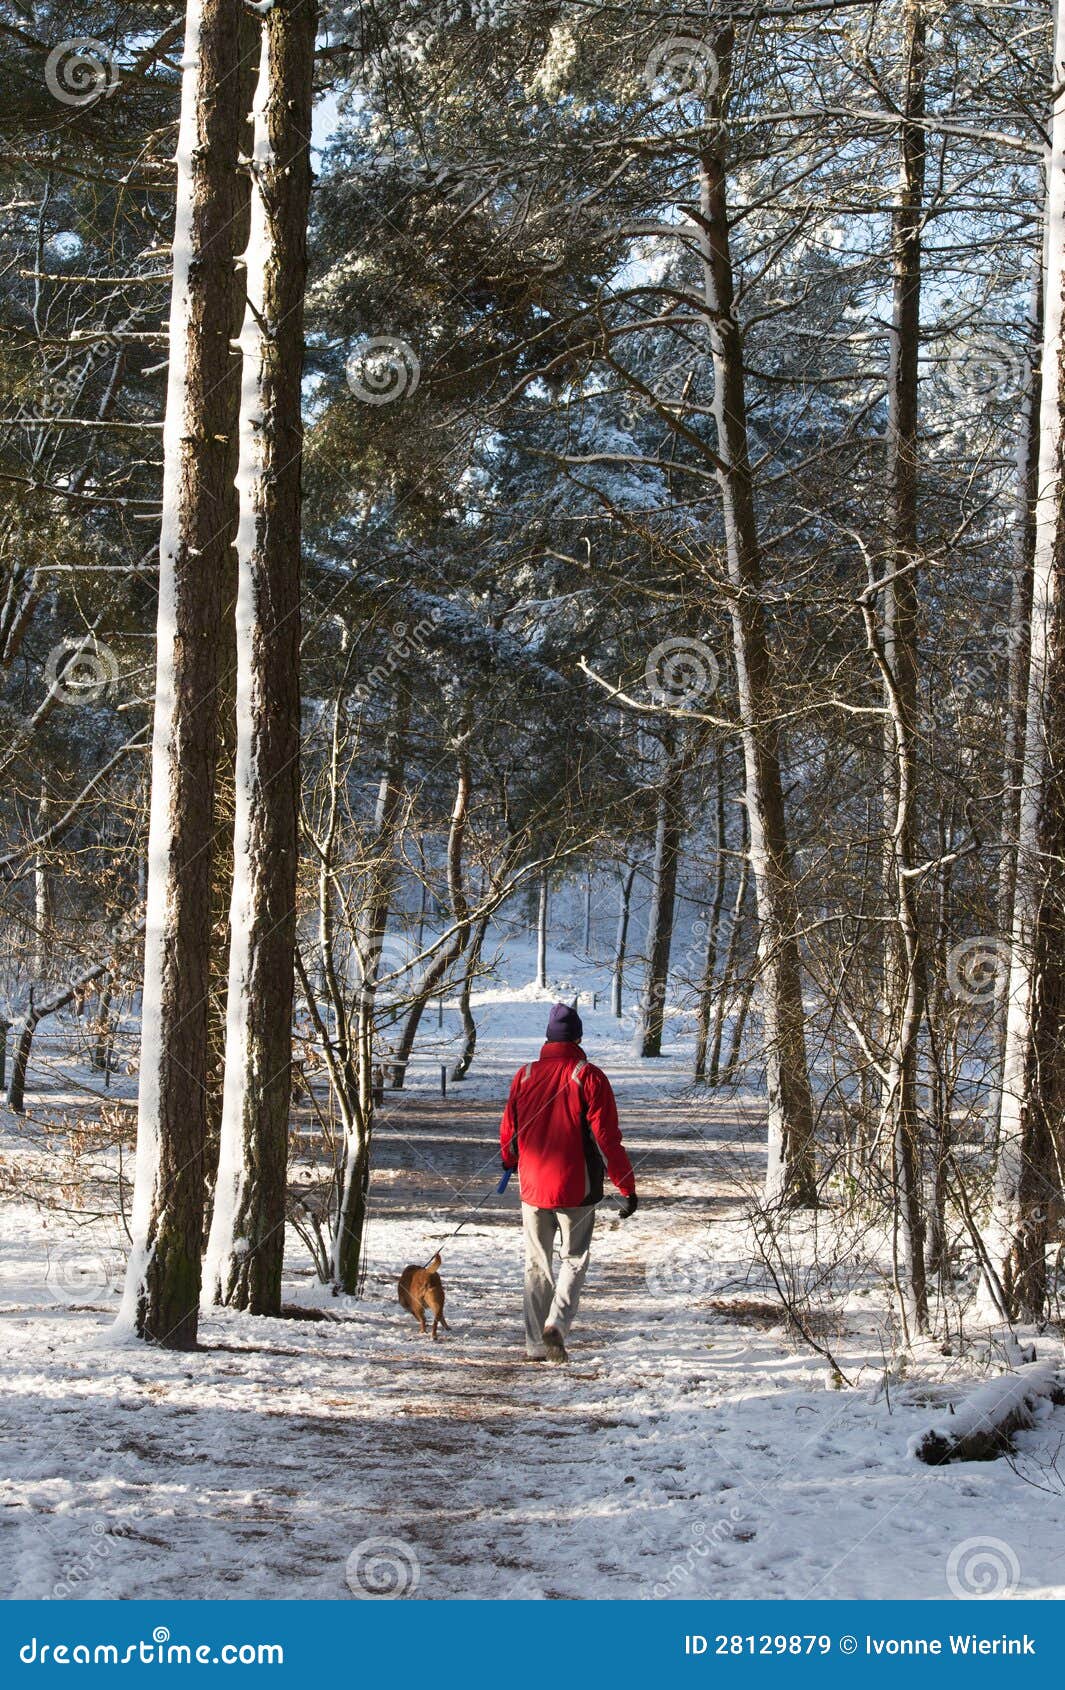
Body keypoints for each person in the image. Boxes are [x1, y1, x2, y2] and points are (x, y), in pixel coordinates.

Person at [499, 1001, 638, 1362]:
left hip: (532, 1189)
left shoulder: (525, 1075)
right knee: (574, 1259)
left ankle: (533, 1344)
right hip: (578, 1189)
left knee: (536, 1263)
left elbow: (509, 1132)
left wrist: (509, 1162)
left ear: (549, 1038)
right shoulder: (588, 1075)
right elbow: (607, 1138)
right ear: (577, 1037)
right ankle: (557, 1324)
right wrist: (626, 1186)